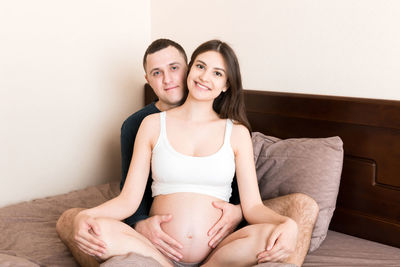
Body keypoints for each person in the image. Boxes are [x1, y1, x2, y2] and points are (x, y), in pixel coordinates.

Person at [56, 39, 318, 267]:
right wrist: (86, 216)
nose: (205, 77)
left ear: (226, 85)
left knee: (279, 236)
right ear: (191, 69)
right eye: (201, 66)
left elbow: (253, 207)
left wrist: (289, 224)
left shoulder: (237, 133)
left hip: (220, 255)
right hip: (158, 253)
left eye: (217, 73)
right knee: (91, 227)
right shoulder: (150, 125)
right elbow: (128, 200)